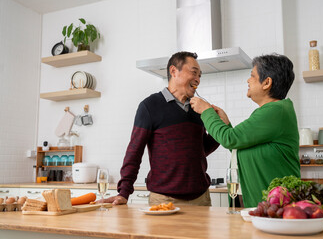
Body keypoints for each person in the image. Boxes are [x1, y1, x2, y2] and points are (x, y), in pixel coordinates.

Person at [99, 51, 219, 206]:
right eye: (194, 73)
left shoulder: (199, 109)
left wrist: (219, 126)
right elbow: (134, 152)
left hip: (201, 198)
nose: (198, 80)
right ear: (174, 71)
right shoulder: (149, 106)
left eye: (200, 76)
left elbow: (200, 149)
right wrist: (124, 192)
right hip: (164, 200)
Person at [190, 54, 301, 208]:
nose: (248, 81)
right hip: (261, 204)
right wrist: (226, 124)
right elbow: (237, 144)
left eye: (252, 76)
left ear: (267, 82)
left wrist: (206, 111)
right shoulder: (273, 111)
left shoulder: (276, 111)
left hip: (275, 206)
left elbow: (230, 139)